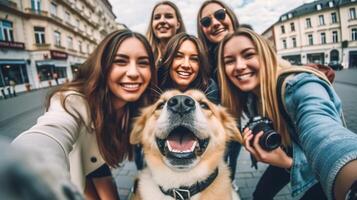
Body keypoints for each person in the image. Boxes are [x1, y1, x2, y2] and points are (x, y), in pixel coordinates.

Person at [12, 29, 157, 200]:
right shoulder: (72, 101)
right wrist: (24, 165)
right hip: (76, 170)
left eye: (143, 63)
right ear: (103, 65)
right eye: (120, 61)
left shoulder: (138, 106)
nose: (133, 73)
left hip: (97, 164)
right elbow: (51, 130)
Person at [217, 28, 357, 200]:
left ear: (266, 55)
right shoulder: (250, 97)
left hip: (320, 171)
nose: (239, 66)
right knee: (260, 194)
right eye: (229, 61)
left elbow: (324, 133)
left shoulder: (299, 86)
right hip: (286, 153)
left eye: (248, 55)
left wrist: (351, 181)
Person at [197, 0, 241, 189]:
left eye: (220, 15)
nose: (215, 23)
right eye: (206, 22)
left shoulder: (253, 45)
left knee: (234, 158)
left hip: (239, 121)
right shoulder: (204, 60)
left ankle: (231, 180)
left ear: (230, 15)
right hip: (215, 131)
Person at [158, 32, 218, 104]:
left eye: (194, 59)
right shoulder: (155, 85)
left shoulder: (210, 88)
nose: (186, 65)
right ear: (168, 59)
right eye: (178, 56)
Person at [146, 0, 186, 65]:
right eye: (157, 17)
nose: (162, 21)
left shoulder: (190, 53)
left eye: (169, 16)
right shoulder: (145, 54)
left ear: (178, 24)